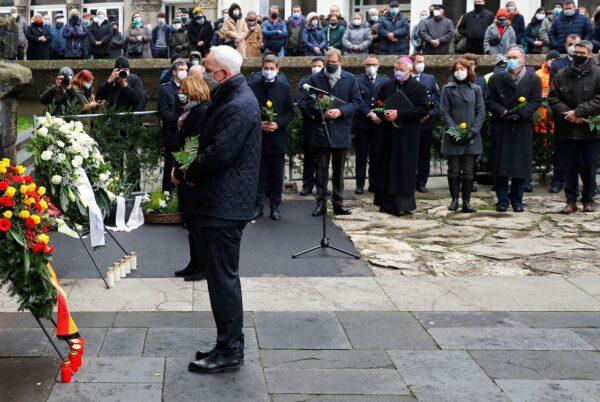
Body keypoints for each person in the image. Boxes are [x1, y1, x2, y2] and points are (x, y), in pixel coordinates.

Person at [182, 46, 260, 374]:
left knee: (223, 281)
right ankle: (226, 343)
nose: (203, 72)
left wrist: (187, 171)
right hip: (221, 202)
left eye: (208, 68)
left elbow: (218, 154)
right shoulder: (232, 97)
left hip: (224, 205)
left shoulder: (238, 103)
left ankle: (230, 350)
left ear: (223, 74)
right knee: (221, 279)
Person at [485, 47, 542, 212]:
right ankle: (502, 200)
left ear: (523, 60)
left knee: (520, 164)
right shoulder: (496, 78)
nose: (511, 60)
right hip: (501, 124)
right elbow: (489, 100)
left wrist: (521, 113)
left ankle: (517, 199)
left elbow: (536, 100)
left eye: (515, 57)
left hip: (522, 126)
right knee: (500, 164)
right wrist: (503, 112)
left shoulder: (533, 79)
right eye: (509, 57)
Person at [306, 48, 362, 217]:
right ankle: (320, 204)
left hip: (341, 130)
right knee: (321, 171)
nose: (331, 65)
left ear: (340, 62)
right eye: (328, 62)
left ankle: (338, 204)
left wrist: (341, 112)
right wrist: (321, 113)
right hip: (323, 129)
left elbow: (357, 101)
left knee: (338, 172)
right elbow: (308, 102)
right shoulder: (315, 78)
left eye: (334, 62)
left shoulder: (350, 78)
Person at [548, 40, 600, 214]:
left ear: (590, 54)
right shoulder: (562, 74)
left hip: (589, 129)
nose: (577, 55)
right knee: (569, 166)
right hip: (567, 128)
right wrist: (568, 114)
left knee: (589, 166)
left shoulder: (598, 73)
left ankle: (588, 200)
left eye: (582, 53)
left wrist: (578, 112)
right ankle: (570, 200)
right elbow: (553, 98)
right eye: (575, 52)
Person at [373, 57, 429, 216]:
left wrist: (400, 114)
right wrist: (384, 113)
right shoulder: (387, 86)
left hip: (407, 136)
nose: (398, 72)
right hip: (388, 134)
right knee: (386, 166)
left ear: (410, 71)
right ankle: (384, 203)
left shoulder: (419, 88)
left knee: (403, 168)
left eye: (402, 70)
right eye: (396, 69)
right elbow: (378, 105)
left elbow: (422, 110)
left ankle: (402, 204)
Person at [172, 75, 211, 282]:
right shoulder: (191, 112)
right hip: (185, 171)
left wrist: (181, 171)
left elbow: (193, 146)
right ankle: (194, 262)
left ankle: (202, 265)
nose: (181, 95)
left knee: (197, 224)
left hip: (192, 174)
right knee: (190, 223)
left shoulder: (201, 112)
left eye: (184, 91)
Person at [249, 55, 295, 220]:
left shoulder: (284, 88)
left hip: (277, 139)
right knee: (258, 175)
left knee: (276, 175)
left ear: (277, 69)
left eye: (271, 68)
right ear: (262, 68)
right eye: (266, 68)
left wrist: (278, 123)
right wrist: (259, 123)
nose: (268, 71)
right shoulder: (252, 86)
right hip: (258, 139)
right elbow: (248, 110)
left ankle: (275, 206)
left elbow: (291, 112)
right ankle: (257, 206)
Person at [440, 58, 486, 213]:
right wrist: (454, 131)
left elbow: (481, 112)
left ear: (469, 71)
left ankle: (466, 201)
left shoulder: (476, 89)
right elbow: (444, 111)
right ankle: (454, 200)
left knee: (468, 169)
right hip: (454, 135)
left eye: (463, 69)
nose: (459, 72)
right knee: (453, 169)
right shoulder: (447, 88)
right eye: (457, 69)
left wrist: (473, 132)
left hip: (471, 135)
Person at [548, 34, 581, 194]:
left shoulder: (591, 65)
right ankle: (558, 180)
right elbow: (554, 93)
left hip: (583, 116)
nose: (573, 47)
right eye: (570, 44)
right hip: (564, 115)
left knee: (583, 152)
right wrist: (568, 112)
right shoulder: (557, 65)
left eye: (576, 44)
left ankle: (586, 184)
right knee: (561, 151)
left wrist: (581, 112)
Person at [354, 54, 387, 195]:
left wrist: (380, 114)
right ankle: (359, 185)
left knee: (376, 156)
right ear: (364, 66)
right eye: (368, 65)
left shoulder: (384, 80)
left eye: (374, 64)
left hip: (379, 125)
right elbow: (357, 100)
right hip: (362, 123)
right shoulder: (356, 80)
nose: (371, 67)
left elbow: (388, 99)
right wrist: (369, 113)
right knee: (361, 156)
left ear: (378, 66)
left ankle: (374, 184)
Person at [411, 53, 440, 194]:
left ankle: (421, 182)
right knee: (410, 153)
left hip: (426, 123)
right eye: (418, 61)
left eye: (423, 61)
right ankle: (409, 180)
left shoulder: (430, 79)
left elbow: (438, 101)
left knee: (424, 154)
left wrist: (429, 115)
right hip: (410, 123)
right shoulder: (405, 78)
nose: (421, 64)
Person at [159, 60, 188, 192]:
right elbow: (164, 111)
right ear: (174, 72)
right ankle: (167, 195)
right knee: (170, 166)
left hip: (187, 134)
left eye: (186, 69)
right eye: (181, 69)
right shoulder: (165, 89)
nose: (184, 72)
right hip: (172, 134)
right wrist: (178, 121)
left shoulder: (189, 87)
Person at [297, 57, 324, 196]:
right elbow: (301, 102)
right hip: (309, 124)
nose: (316, 68)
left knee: (322, 158)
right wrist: (312, 116)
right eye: (314, 65)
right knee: (309, 157)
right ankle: (307, 185)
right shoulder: (304, 81)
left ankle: (322, 186)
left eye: (319, 65)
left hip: (323, 124)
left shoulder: (327, 81)